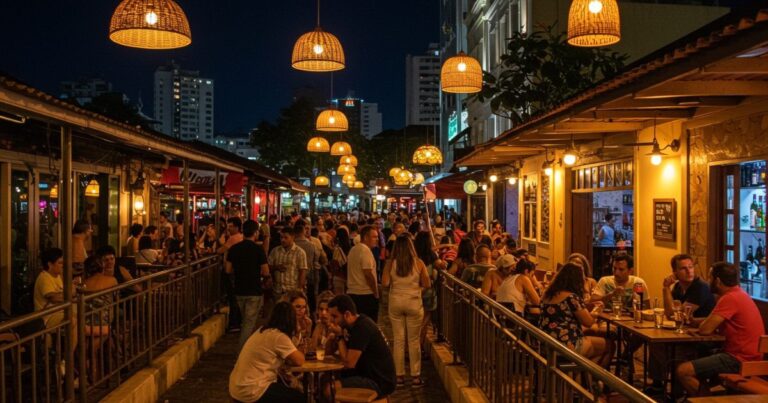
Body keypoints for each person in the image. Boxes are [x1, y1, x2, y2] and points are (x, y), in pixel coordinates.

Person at [676, 262, 766, 397]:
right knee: (696, 357)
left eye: (709, 277)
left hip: (739, 359)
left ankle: (708, 400)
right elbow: (716, 320)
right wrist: (697, 322)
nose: (708, 281)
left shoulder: (729, 298)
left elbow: (705, 330)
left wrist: (700, 324)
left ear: (717, 281)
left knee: (683, 370)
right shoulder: (739, 294)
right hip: (750, 356)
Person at [229, 302, 306, 403]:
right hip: (252, 389)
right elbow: (299, 360)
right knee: (299, 398)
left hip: (237, 386)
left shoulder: (263, 330)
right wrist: (299, 332)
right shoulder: (278, 336)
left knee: (284, 388)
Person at [539, 263, 612, 367]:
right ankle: (590, 378)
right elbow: (588, 322)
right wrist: (598, 309)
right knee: (608, 345)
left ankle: (580, 376)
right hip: (567, 345)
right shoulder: (571, 297)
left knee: (590, 345)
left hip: (546, 343)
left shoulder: (546, 295)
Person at [382, 235, 431, 388]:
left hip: (396, 301)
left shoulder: (390, 263)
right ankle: (415, 377)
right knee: (414, 340)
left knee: (398, 340)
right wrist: (416, 290)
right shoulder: (419, 263)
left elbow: (384, 283)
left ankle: (399, 377)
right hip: (414, 302)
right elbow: (427, 284)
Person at [326, 295, 396, 399]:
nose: (332, 320)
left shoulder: (362, 327)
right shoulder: (348, 326)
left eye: (335, 316)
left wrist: (340, 336)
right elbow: (328, 353)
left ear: (347, 314)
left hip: (379, 381)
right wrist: (332, 336)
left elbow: (349, 363)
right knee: (324, 379)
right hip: (363, 375)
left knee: (329, 389)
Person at [227, 219, 270, 351]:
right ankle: (243, 351)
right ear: (255, 233)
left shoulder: (233, 249)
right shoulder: (258, 250)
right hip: (254, 290)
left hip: (239, 289)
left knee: (245, 321)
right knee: (248, 323)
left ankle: (248, 348)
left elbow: (228, 269)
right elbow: (265, 271)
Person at [663, 254, 715, 319]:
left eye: (690, 267)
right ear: (675, 272)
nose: (688, 271)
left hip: (700, 328)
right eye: (683, 268)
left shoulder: (701, 287)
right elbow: (668, 313)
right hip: (687, 327)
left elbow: (675, 315)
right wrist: (666, 288)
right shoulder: (677, 286)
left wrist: (667, 288)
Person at [346, 225, 380, 322]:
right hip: (365, 294)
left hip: (352, 293)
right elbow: (368, 274)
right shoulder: (365, 251)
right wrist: (376, 293)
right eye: (374, 237)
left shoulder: (353, 249)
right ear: (365, 237)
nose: (377, 239)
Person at [268, 226, 308, 299]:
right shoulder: (275, 251)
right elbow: (268, 267)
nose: (282, 240)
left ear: (292, 237)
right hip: (277, 291)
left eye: (286, 238)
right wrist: (276, 267)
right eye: (281, 237)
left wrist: (299, 289)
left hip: (292, 291)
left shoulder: (300, 252)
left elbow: (302, 271)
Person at [34, 248, 67, 328]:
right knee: (75, 320)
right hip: (49, 317)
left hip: (60, 312)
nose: (62, 265)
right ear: (50, 264)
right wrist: (70, 294)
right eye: (59, 263)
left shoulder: (57, 276)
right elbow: (54, 298)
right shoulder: (44, 277)